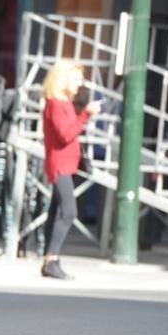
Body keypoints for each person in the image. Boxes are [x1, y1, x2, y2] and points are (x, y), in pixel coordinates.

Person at [41, 60, 102, 279]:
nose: (80, 84)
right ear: (63, 79)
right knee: (69, 212)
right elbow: (65, 134)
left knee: (57, 211)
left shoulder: (64, 103)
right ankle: (52, 259)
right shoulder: (56, 104)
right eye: (76, 79)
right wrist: (85, 115)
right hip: (60, 165)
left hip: (66, 163)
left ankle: (50, 258)